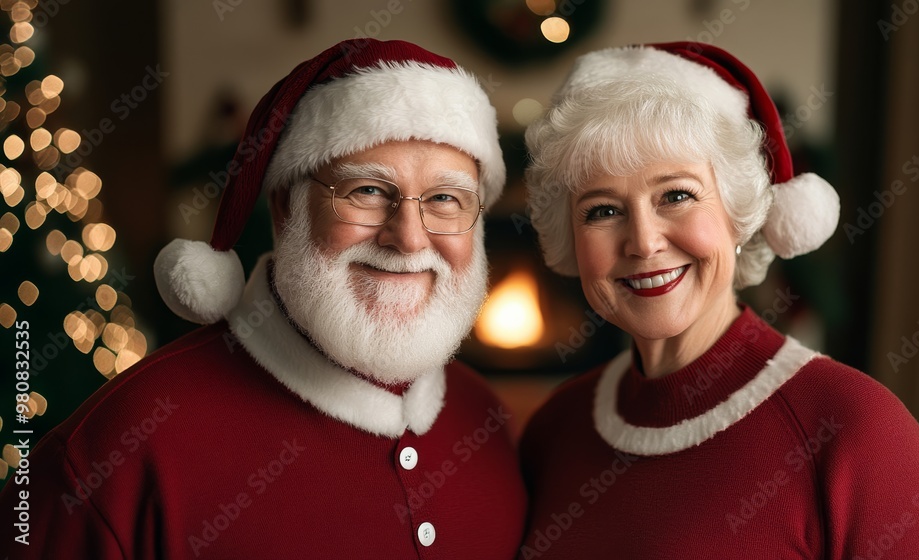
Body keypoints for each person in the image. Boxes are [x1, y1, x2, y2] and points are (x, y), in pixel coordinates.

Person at [0, 39, 526, 559]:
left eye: (445, 199)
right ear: (285, 208)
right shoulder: (118, 449)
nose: (410, 238)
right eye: (366, 190)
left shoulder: (487, 419)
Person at [517, 42, 919, 558]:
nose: (643, 241)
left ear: (737, 213)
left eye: (676, 195)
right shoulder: (555, 429)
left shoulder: (857, 430)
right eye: (602, 210)